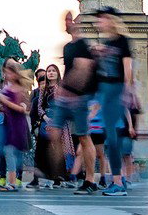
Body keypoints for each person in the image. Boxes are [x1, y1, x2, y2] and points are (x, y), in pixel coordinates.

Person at [47, 11, 100, 196]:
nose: (66, 23)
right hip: (65, 97)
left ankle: (90, 180)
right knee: (53, 132)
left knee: (84, 137)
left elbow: (83, 69)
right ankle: (60, 173)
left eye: (69, 20)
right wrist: (62, 89)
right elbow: (69, 69)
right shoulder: (67, 47)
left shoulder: (83, 45)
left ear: (77, 24)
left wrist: (67, 88)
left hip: (79, 97)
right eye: (65, 19)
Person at [90, 7, 133, 196]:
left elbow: (127, 68)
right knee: (109, 138)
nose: (99, 23)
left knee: (112, 139)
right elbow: (100, 75)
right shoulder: (105, 43)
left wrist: (126, 90)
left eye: (102, 19)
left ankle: (118, 182)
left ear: (110, 20)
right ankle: (117, 179)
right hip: (105, 93)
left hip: (116, 91)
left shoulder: (122, 41)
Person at [0, 59, 32, 192]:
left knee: (11, 151)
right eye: (6, 72)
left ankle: (12, 182)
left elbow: (22, 109)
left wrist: (4, 101)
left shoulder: (20, 89)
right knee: (9, 151)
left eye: (10, 73)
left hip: (17, 124)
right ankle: (12, 181)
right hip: (8, 123)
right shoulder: (7, 88)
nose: (7, 75)